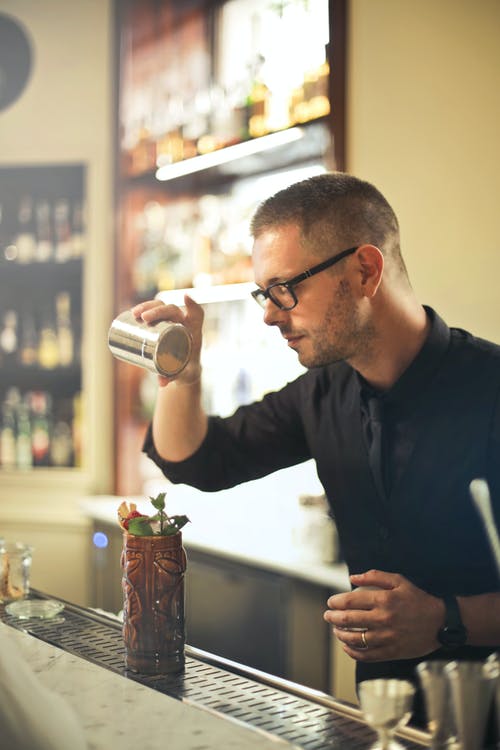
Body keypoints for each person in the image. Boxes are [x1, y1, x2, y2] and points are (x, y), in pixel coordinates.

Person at [134, 172, 500, 726]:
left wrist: (445, 618)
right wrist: (183, 377)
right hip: (382, 721)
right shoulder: (322, 393)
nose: (270, 313)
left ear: (365, 270)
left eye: (286, 287)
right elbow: (198, 461)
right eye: (265, 292)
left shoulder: (490, 390)